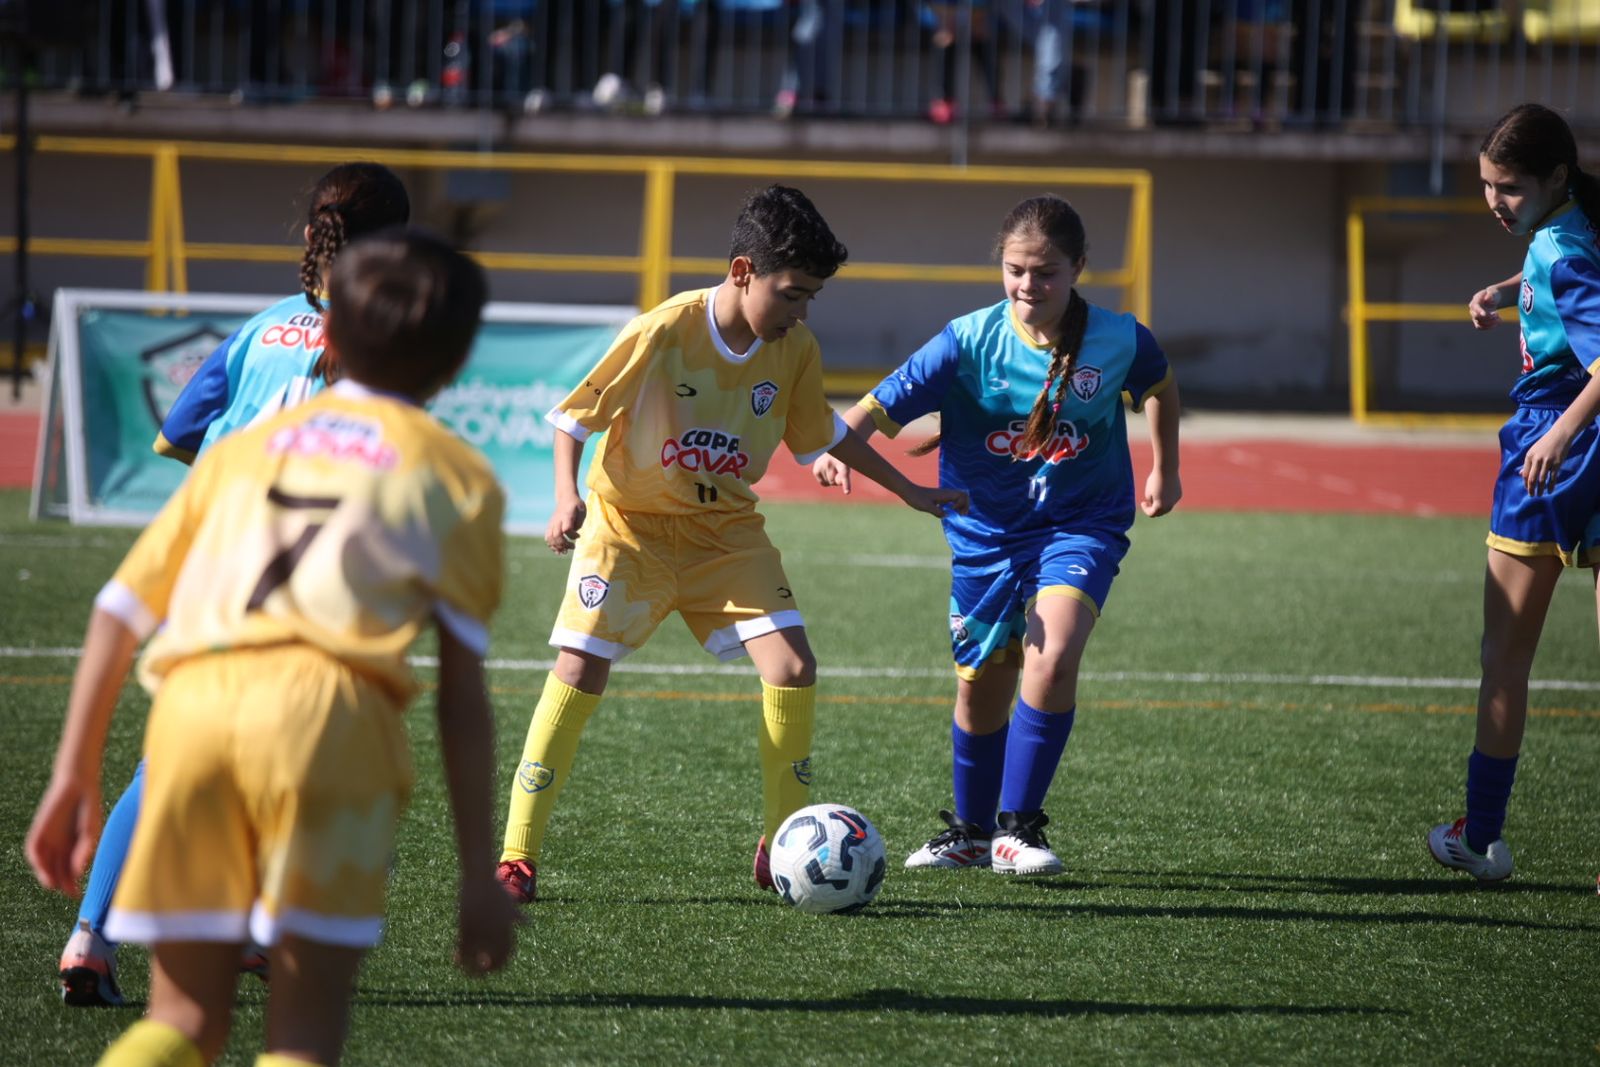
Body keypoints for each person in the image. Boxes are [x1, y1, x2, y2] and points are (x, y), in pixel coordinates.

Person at [26, 228, 519, 1067]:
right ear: (455, 363)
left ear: (323, 335)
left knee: (179, 1023)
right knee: (300, 1034)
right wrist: (480, 868)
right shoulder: (457, 476)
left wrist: (73, 771)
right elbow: (463, 696)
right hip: (333, 729)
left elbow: (116, 612)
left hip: (192, 718)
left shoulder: (240, 454)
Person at [495, 184, 969, 904]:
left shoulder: (795, 349)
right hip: (631, 529)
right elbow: (573, 419)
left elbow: (826, 436)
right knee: (580, 665)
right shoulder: (664, 329)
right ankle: (517, 854)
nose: (801, 312)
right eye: (792, 294)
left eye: (810, 298)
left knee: (793, 666)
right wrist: (567, 495)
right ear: (744, 271)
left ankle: (782, 847)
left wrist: (910, 489)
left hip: (725, 535)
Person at [57, 161, 411, 1008]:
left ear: (308, 240)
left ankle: (93, 938)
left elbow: (180, 436)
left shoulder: (259, 329)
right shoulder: (387, 338)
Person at [813, 194, 1181, 875]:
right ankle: (971, 832)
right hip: (985, 536)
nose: (1027, 286)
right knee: (982, 684)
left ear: (1079, 269)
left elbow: (1158, 383)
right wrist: (841, 447)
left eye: (1044, 272)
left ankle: (1021, 830)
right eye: (1015, 270)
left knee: (1053, 651)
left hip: (1080, 526)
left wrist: (1166, 467)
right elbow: (877, 405)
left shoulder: (1121, 338)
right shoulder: (967, 340)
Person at [1428, 102, 1600, 883]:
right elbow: (1559, 267)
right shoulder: (1572, 228)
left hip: (1552, 439)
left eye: (1509, 186)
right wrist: (1507, 291)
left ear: (1555, 176)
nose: (1495, 200)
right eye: (1488, 185)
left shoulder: (1563, 251)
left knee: (1504, 659)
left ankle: (1482, 837)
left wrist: (1559, 434)